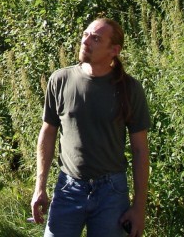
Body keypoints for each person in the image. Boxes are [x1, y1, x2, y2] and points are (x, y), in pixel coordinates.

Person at [31, 18, 150, 237]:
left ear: (114, 50)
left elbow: (140, 150)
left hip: (111, 192)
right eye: (86, 34)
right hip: (68, 187)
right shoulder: (60, 80)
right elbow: (47, 134)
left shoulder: (129, 89)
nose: (86, 41)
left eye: (96, 38)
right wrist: (40, 187)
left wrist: (139, 208)